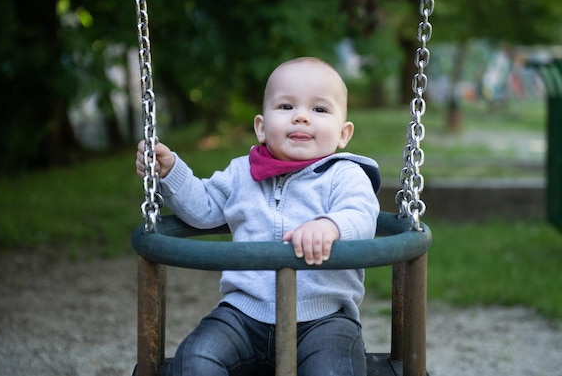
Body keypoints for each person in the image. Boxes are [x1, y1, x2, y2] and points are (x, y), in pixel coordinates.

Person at [136, 57, 381, 376]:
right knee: (195, 359)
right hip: (241, 314)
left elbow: (361, 214)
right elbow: (204, 207)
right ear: (261, 127)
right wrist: (170, 172)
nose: (302, 118)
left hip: (324, 319)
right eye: (286, 107)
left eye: (319, 110)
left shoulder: (345, 175)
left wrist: (330, 226)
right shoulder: (242, 173)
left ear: (343, 134)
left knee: (335, 371)